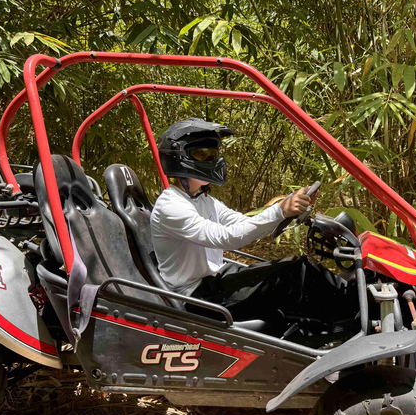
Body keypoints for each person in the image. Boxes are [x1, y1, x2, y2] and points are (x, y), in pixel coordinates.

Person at [150, 118, 357, 334]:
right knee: (298, 272)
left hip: (215, 279)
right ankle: (356, 312)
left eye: (214, 154)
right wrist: (280, 211)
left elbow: (241, 222)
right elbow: (227, 237)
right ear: (179, 157)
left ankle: (338, 320)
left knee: (296, 269)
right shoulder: (171, 207)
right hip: (197, 297)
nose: (213, 159)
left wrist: (285, 207)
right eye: (203, 154)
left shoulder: (201, 198)